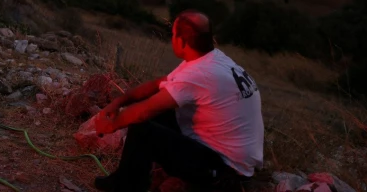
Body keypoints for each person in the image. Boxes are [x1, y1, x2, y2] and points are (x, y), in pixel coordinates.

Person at [93, 10, 264, 191]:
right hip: (231, 161)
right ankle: (137, 175)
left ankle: (126, 186)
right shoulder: (212, 59)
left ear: (182, 41)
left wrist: (111, 125)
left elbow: (143, 111)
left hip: (224, 171)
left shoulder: (199, 74)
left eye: (173, 34)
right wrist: (119, 101)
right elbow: (160, 84)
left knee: (141, 126)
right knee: (161, 110)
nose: (171, 38)